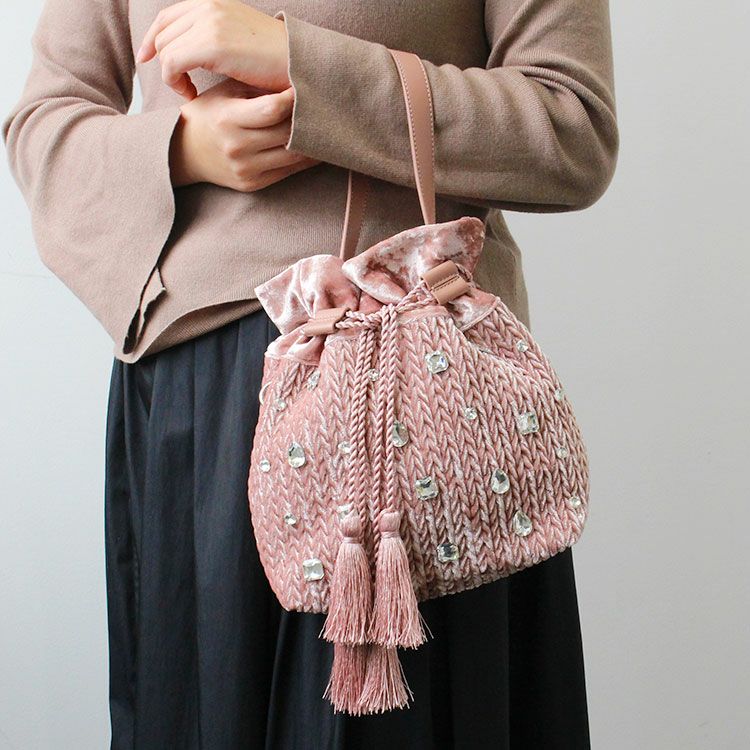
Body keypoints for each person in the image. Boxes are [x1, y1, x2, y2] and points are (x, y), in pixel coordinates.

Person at [3, 0, 618, 747]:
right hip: (199, 408)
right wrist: (181, 148)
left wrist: (309, 70)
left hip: (418, 401)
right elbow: (44, 129)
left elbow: (572, 127)